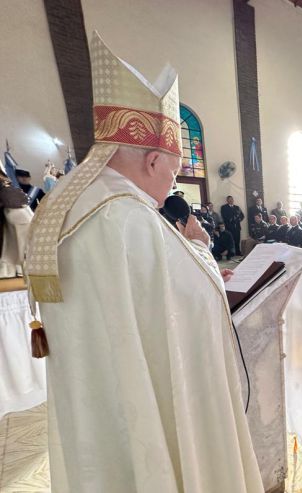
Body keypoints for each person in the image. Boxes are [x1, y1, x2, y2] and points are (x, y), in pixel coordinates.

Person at [23, 33, 262, 492]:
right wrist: (198, 246)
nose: (170, 187)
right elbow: (199, 300)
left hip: (94, 396)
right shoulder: (126, 216)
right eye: (172, 175)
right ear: (153, 160)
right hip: (137, 399)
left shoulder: (68, 206)